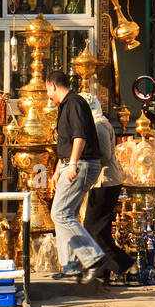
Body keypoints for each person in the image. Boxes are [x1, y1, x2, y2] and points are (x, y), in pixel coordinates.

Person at [46, 70, 111, 283]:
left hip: (81, 164)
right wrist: (58, 170)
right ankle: (71, 266)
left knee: (60, 213)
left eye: (47, 89)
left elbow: (79, 137)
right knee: (66, 214)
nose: (48, 94)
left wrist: (72, 164)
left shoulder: (75, 103)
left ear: (52, 85)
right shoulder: (66, 105)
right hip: (71, 163)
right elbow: (65, 142)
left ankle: (94, 258)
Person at [81, 91, 134, 278]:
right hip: (103, 182)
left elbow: (104, 154)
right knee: (98, 229)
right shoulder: (96, 124)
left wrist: (82, 156)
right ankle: (107, 268)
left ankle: (121, 262)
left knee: (93, 227)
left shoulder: (99, 125)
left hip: (105, 181)